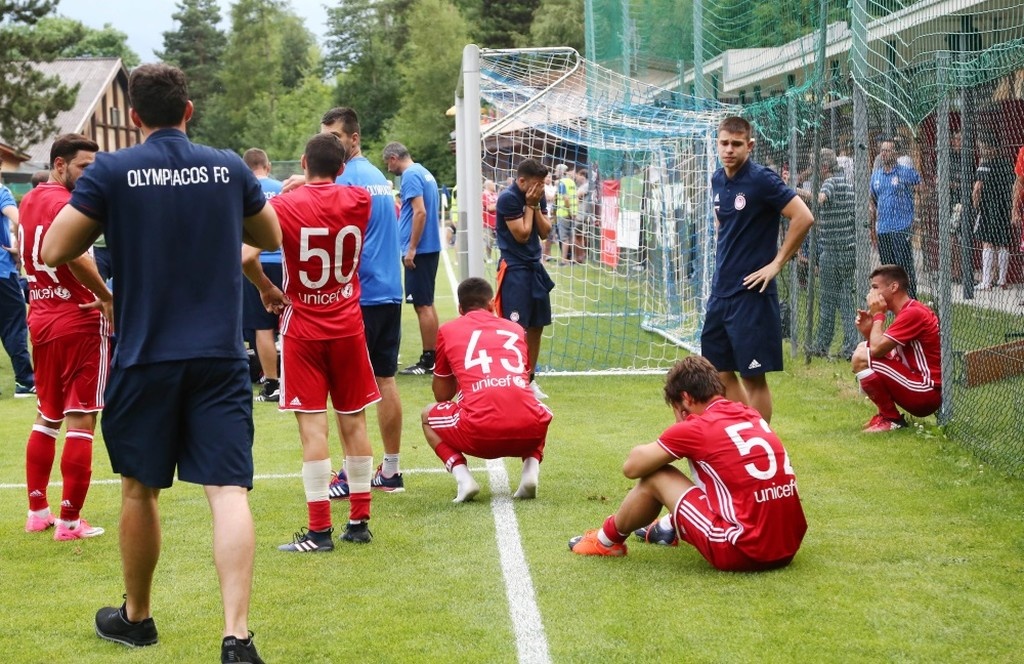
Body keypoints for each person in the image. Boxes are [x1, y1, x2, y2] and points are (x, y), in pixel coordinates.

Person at [42, 63, 280, 663]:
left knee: (139, 491)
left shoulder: (113, 170)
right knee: (228, 492)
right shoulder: (227, 165)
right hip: (220, 356)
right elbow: (270, 235)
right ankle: (237, 636)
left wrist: (110, 276)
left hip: (145, 354)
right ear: (189, 111)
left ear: (133, 118)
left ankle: (138, 618)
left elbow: (53, 249)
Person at [244, 132, 379, 551]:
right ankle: (359, 522)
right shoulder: (361, 200)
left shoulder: (283, 206)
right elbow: (345, 192)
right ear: (341, 167)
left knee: (313, 429)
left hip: (303, 327)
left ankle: (319, 530)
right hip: (348, 325)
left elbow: (247, 257)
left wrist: (267, 289)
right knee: (353, 422)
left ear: (302, 162)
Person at [568, 355, 807, 570]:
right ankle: (668, 527)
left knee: (656, 475)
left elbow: (632, 467)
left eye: (676, 408)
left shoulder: (696, 426)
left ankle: (605, 541)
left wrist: (679, 426)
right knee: (718, 474)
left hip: (742, 550)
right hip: (788, 545)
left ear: (685, 398)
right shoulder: (749, 413)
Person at [20, 133, 112, 541]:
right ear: (60, 165)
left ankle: (38, 511)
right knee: (82, 416)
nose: (90, 176)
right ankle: (71, 522)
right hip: (78, 318)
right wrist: (107, 296)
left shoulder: (30, 200)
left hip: (41, 315)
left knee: (47, 415)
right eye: (84, 168)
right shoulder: (66, 205)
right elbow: (74, 255)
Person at [704, 116, 814, 423]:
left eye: (736, 144)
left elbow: (803, 217)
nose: (729, 150)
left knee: (753, 377)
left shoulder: (761, 179)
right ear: (717, 143)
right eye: (724, 143)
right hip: (721, 291)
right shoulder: (717, 179)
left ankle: (761, 443)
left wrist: (777, 264)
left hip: (751, 292)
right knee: (717, 370)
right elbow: (724, 224)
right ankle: (747, 431)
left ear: (749, 146)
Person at [320, 107, 406, 496]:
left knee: (348, 387)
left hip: (362, 296)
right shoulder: (377, 177)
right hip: (388, 291)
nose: (329, 144)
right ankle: (390, 470)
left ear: (355, 138)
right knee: (385, 379)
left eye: (336, 137)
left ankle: (350, 474)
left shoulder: (347, 179)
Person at [422, 277, 552, 502]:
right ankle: (531, 470)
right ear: (492, 304)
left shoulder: (448, 330)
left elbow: (442, 396)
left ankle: (464, 479)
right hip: (528, 432)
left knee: (427, 415)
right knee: (539, 409)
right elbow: (522, 379)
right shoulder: (515, 329)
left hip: (479, 435)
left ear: (460, 309)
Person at [851, 264, 941, 432]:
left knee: (861, 355)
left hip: (925, 392)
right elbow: (888, 354)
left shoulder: (913, 313)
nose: (871, 294)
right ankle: (886, 416)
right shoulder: (909, 311)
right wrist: (869, 331)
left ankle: (891, 419)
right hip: (917, 385)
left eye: (875, 288)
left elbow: (877, 351)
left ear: (894, 287)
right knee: (863, 347)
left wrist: (878, 315)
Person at [494, 158, 555, 401]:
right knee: (514, 329)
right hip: (514, 270)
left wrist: (535, 205)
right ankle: (511, 380)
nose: (541, 188)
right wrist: (530, 205)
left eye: (543, 184)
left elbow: (545, 231)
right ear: (521, 181)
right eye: (537, 183)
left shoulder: (536, 196)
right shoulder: (508, 198)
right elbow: (522, 234)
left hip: (534, 267)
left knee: (537, 326)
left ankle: (529, 380)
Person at [383, 141, 441, 375]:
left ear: (395, 158)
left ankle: (429, 359)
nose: (388, 168)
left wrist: (412, 248)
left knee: (422, 304)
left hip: (421, 250)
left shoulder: (410, 175)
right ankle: (435, 354)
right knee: (426, 302)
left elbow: (420, 211)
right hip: (429, 247)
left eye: (388, 162)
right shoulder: (424, 172)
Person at [804, 148, 857, 360]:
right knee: (846, 302)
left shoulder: (830, 182)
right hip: (848, 249)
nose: (812, 171)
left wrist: (795, 192)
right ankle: (851, 346)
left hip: (833, 252)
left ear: (823, 167)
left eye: (814, 166)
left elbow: (821, 198)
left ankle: (821, 345)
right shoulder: (847, 183)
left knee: (827, 300)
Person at [241, 148, 284, 401]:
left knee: (262, 327)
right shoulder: (281, 188)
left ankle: (272, 384)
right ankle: (292, 379)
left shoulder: (241, 189)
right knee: (288, 323)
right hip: (283, 261)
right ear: (267, 166)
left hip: (252, 263)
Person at [870, 138, 921, 298]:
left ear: (896, 153)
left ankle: (911, 300)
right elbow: (873, 199)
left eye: (888, 150)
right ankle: (893, 301)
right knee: (887, 268)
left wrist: (917, 216)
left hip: (901, 226)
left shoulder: (904, 172)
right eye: (882, 150)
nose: (884, 153)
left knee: (903, 266)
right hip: (883, 228)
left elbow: (921, 188)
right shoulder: (876, 176)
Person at [0, 182, 36, 397]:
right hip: (2, 272)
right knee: (13, 325)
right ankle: (24, 381)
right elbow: (18, 219)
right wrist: (21, 248)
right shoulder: (1, 191)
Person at [972, 133, 1015, 290]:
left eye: (983, 146)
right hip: (1004, 206)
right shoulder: (1007, 164)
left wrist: (975, 205)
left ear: (991, 148)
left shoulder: (985, 165)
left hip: (988, 207)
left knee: (988, 243)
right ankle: (1002, 280)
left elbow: (977, 188)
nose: (981, 150)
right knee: (1003, 243)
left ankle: (986, 281)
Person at [482, 178, 498, 262]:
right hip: (487, 222)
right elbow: (490, 208)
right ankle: (487, 257)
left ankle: (488, 257)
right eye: (492, 184)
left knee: (492, 241)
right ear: (488, 186)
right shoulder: (485, 194)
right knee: (488, 241)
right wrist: (499, 204)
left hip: (496, 222)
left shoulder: (495, 194)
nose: (494, 185)